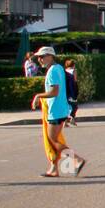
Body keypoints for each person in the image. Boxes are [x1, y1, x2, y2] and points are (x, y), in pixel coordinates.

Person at [29, 46, 86, 178]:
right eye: (38, 57)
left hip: (55, 110)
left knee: (53, 140)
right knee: (56, 139)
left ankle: (77, 160)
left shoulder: (53, 71)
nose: (39, 60)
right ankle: (54, 169)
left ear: (50, 56)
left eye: (42, 57)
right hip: (61, 108)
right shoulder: (59, 68)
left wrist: (38, 96)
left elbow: (54, 91)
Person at [63, 59, 80, 126]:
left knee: (66, 105)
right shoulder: (74, 71)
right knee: (74, 105)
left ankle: (65, 121)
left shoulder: (65, 71)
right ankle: (72, 118)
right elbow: (75, 80)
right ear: (73, 65)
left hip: (65, 89)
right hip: (72, 89)